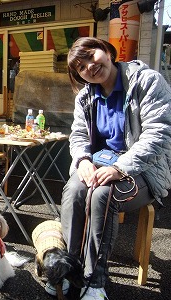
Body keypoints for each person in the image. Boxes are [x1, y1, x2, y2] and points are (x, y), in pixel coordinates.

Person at [59, 37, 171, 300]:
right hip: (98, 162)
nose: (89, 66)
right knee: (74, 189)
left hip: (144, 168)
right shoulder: (86, 95)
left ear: (107, 51)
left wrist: (121, 167)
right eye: (80, 67)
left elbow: (160, 134)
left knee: (102, 195)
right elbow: (77, 136)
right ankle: (69, 267)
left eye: (91, 56)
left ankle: (94, 279)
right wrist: (83, 160)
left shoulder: (147, 81)